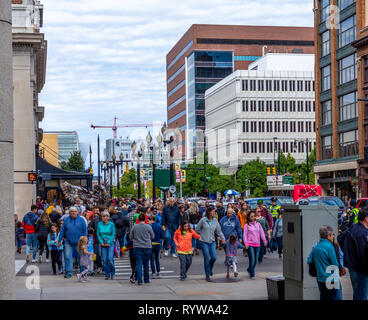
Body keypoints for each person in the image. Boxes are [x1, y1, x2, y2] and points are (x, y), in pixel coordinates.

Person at [338, 208, 368, 300]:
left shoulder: (353, 227)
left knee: (358, 293)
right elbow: (364, 254)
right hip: (361, 270)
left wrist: (348, 252)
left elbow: (340, 238)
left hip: (353, 267)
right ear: (366, 218)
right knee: (361, 295)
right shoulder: (363, 233)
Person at [307, 225, 341, 300]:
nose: (333, 237)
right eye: (332, 235)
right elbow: (335, 264)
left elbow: (309, 260)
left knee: (323, 297)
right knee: (333, 297)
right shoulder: (329, 247)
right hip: (331, 279)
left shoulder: (316, 246)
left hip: (320, 278)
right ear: (328, 236)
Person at [195, 206, 226, 282]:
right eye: (212, 211)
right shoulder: (203, 220)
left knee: (214, 257)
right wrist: (201, 235)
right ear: (208, 212)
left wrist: (223, 238)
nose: (214, 213)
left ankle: (209, 269)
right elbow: (197, 229)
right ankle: (207, 275)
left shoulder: (215, 221)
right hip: (203, 241)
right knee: (206, 258)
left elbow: (219, 231)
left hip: (212, 241)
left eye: (214, 211)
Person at [58, 206, 88, 278]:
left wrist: (85, 239)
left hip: (79, 242)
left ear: (77, 212)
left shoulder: (81, 220)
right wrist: (59, 240)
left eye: (75, 211)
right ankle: (68, 272)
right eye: (72, 212)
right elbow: (62, 231)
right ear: (69, 213)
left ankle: (82, 272)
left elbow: (85, 230)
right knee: (67, 256)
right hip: (68, 242)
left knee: (80, 257)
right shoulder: (66, 220)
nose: (73, 213)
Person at [130, 213, 155, 285]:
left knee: (139, 263)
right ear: (145, 219)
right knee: (146, 263)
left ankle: (140, 280)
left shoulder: (135, 227)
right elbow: (153, 236)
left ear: (138, 219)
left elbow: (131, 237)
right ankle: (146, 279)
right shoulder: (148, 226)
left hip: (137, 246)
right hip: (147, 246)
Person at [243, 211, 267, 280]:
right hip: (250, 244)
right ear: (248, 217)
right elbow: (244, 235)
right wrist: (246, 243)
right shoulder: (246, 225)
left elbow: (262, 233)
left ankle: (249, 269)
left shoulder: (258, 224)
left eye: (254, 216)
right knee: (252, 259)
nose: (253, 217)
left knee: (256, 260)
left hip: (258, 244)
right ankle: (252, 274)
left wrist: (264, 240)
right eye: (251, 216)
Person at [97, 211, 116, 280]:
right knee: (104, 260)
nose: (102, 217)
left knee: (110, 259)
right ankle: (107, 274)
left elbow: (113, 234)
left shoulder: (111, 224)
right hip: (102, 243)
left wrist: (108, 241)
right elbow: (98, 234)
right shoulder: (99, 224)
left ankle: (113, 273)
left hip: (110, 243)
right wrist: (101, 242)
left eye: (104, 216)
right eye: (102, 216)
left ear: (108, 217)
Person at [88, 206, 103, 273]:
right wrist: (91, 229)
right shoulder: (95, 220)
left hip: (105, 240)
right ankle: (99, 266)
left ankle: (104, 268)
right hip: (97, 240)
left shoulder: (108, 220)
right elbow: (89, 226)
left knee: (104, 255)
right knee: (97, 254)